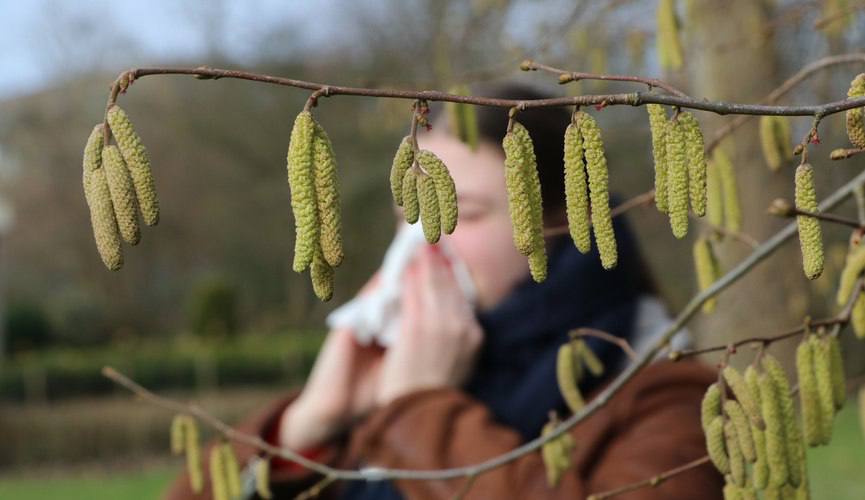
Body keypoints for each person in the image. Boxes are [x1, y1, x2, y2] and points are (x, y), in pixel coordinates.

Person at [165, 83, 724, 500]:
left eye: (467, 213)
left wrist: (419, 411)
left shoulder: (667, 397)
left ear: (564, 222)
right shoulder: (379, 382)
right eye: (407, 213)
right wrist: (301, 431)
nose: (424, 240)